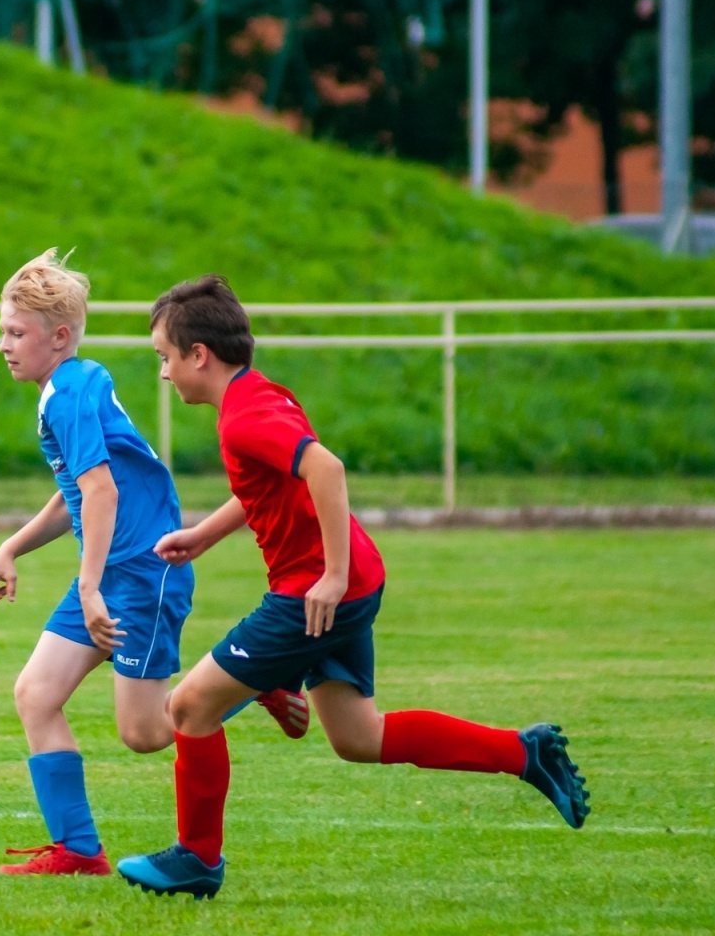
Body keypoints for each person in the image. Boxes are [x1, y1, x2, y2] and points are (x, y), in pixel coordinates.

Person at [116, 275, 590, 899]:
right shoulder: (258, 395)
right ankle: (524, 753)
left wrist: (330, 577)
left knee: (188, 707)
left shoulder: (242, 419)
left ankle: (198, 859)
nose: (163, 373)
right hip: (351, 583)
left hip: (317, 592)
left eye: (164, 358)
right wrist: (205, 534)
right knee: (360, 737)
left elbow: (325, 468)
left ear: (198, 355)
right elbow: (273, 485)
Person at [0, 251, 308, 877]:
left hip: (141, 574)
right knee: (35, 694)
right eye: (2, 330)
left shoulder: (71, 394)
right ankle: (79, 850)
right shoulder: (67, 388)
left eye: (15, 332)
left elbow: (101, 492)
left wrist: (89, 582)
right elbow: (77, 490)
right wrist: (12, 547)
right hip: (111, 575)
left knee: (148, 733)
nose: (4, 345)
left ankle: (252, 679)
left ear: (59, 337)